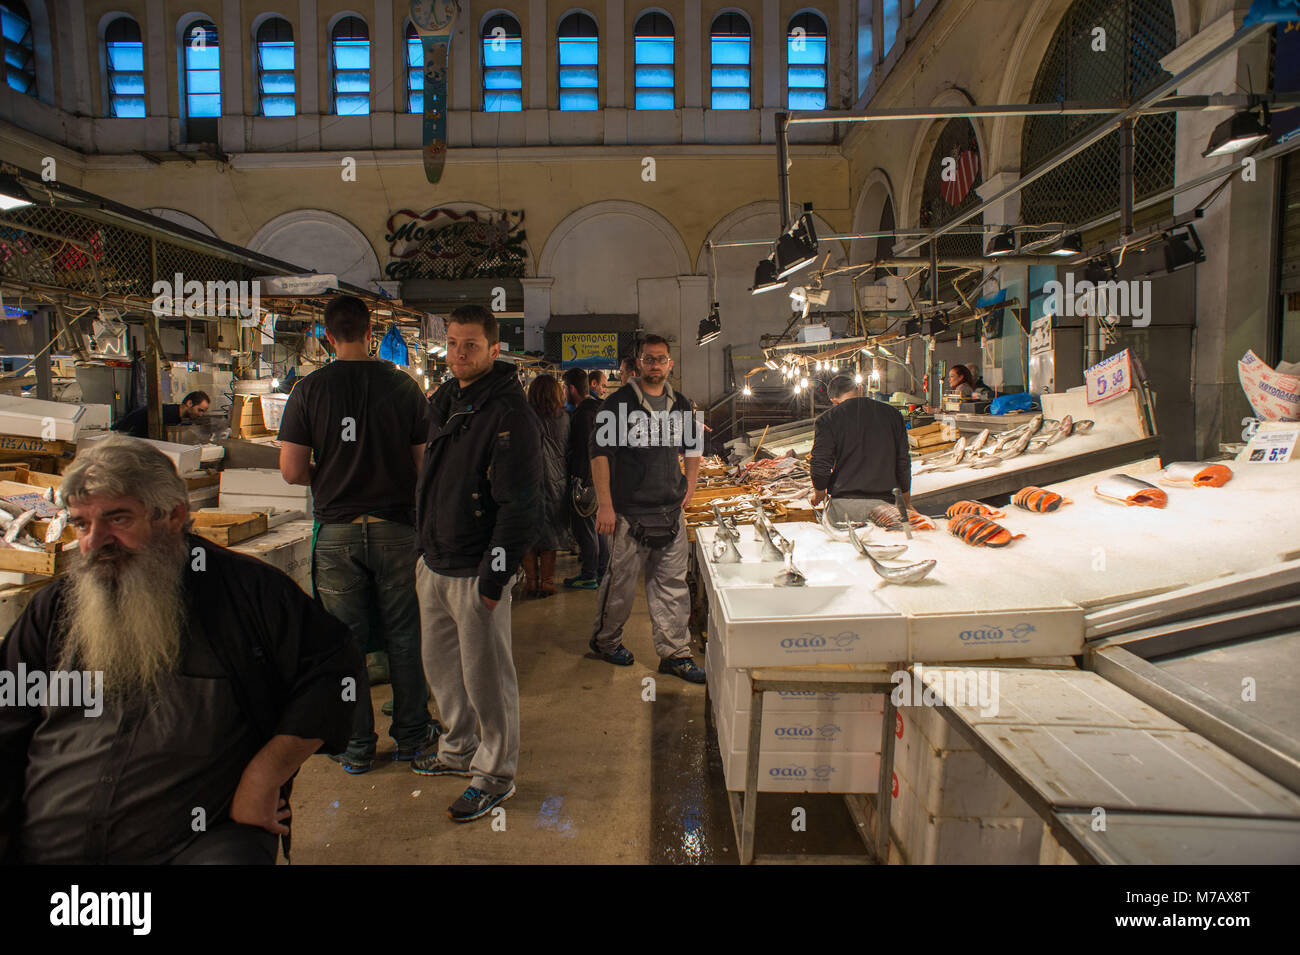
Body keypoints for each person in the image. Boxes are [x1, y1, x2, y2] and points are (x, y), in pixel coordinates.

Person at [0, 435, 360, 864]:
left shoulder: (247, 594)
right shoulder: (53, 609)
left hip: (193, 844)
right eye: (81, 524)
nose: (95, 542)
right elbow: (7, 719)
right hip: (48, 844)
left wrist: (265, 776)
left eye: (118, 519)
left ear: (173, 515)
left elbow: (337, 674)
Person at [277, 294, 436, 775]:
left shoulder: (308, 391)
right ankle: (411, 737)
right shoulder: (403, 388)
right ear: (372, 332)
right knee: (405, 638)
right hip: (395, 530)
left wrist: (329, 476)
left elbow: (289, 472)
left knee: (347, 645)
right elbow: (423, 466)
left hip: (337, 532)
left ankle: (358, 746)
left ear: (325, 335)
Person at [413, 304, 540, 823]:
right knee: (443, 673)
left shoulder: (509, 413)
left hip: (475, 569)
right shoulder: (445, 400)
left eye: (470, 345)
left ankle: (494, 775)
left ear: (493, 349)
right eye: (453, 344)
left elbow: (520, 504)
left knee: (487, 679)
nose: (458, 354)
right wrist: (421, 551)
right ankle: (458, 749)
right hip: (436, 562)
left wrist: (497, 574)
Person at [588, 335, 705, 683]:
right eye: (649, 359)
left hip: (670, 510)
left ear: (671, 364)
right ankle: (607, 642)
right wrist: (605, 506)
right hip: (627, 513)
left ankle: (675, 653)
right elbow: (599, 456)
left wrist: (692, 484)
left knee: (672, 585)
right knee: (620, 585)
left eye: (662, 359)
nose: (655, 365)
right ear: (638, 363)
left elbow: (694, 446)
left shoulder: (682, 404)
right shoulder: (616, 405)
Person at [811, 375, 912, 526]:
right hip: (886, 506)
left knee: (842, 549)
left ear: (834, 400)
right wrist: (906, 501)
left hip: (843, 507)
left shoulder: (827, 419)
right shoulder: (893, 414)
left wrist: (819, 492)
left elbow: (820, 463)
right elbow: (903, 461)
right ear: (860, 389)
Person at [521, 375, 570, 598]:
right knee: (550, 533)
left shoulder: (523, 416)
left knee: (528, 533)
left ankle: (531, 582)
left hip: (527, 480)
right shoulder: (563, 418)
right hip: (556, 480)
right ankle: (548, 582)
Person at [561, 367, 608, 589]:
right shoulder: (600, 409)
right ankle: (601, 570)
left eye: (564, 388)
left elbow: (582, 451)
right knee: (599, 527)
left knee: (585, 528)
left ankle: (589, 573)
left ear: (571, 389)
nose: (563, 393)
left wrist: (577, 479)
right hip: (600, 478)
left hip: (586, 480)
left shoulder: (581, 415)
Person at [112, 390, 210, 438]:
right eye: (200, 410)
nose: (200, 415)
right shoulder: (167, 414)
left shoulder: (176, 416)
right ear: (189, 403)